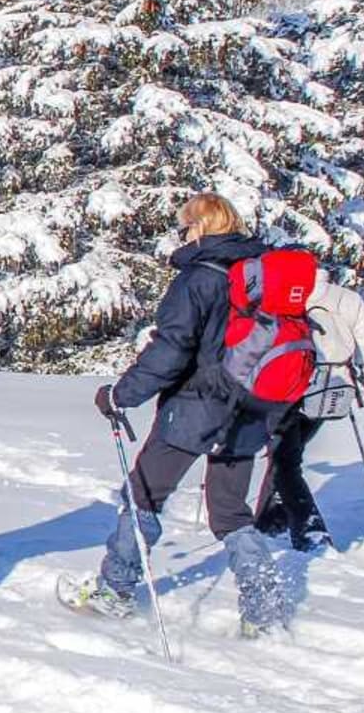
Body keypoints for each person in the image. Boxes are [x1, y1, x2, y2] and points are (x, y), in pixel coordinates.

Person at [64, 193, 286, 637]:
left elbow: (172, 349)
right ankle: (264, 612)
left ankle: (115, 590)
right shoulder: (261, 272)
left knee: (143, 494)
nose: (181, 234)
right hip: (252, 406)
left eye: (184, 226)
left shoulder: (200, 277)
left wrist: (121, 394)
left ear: (200, 227)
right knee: (230, 512)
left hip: (197, 403)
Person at [255, 278, 364, 550]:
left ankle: (310, 531)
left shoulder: (279, 295)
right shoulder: (346, 299)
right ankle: (273, 521)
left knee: (284, 461)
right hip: (332, 389)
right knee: (287, 457)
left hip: (289, 387)